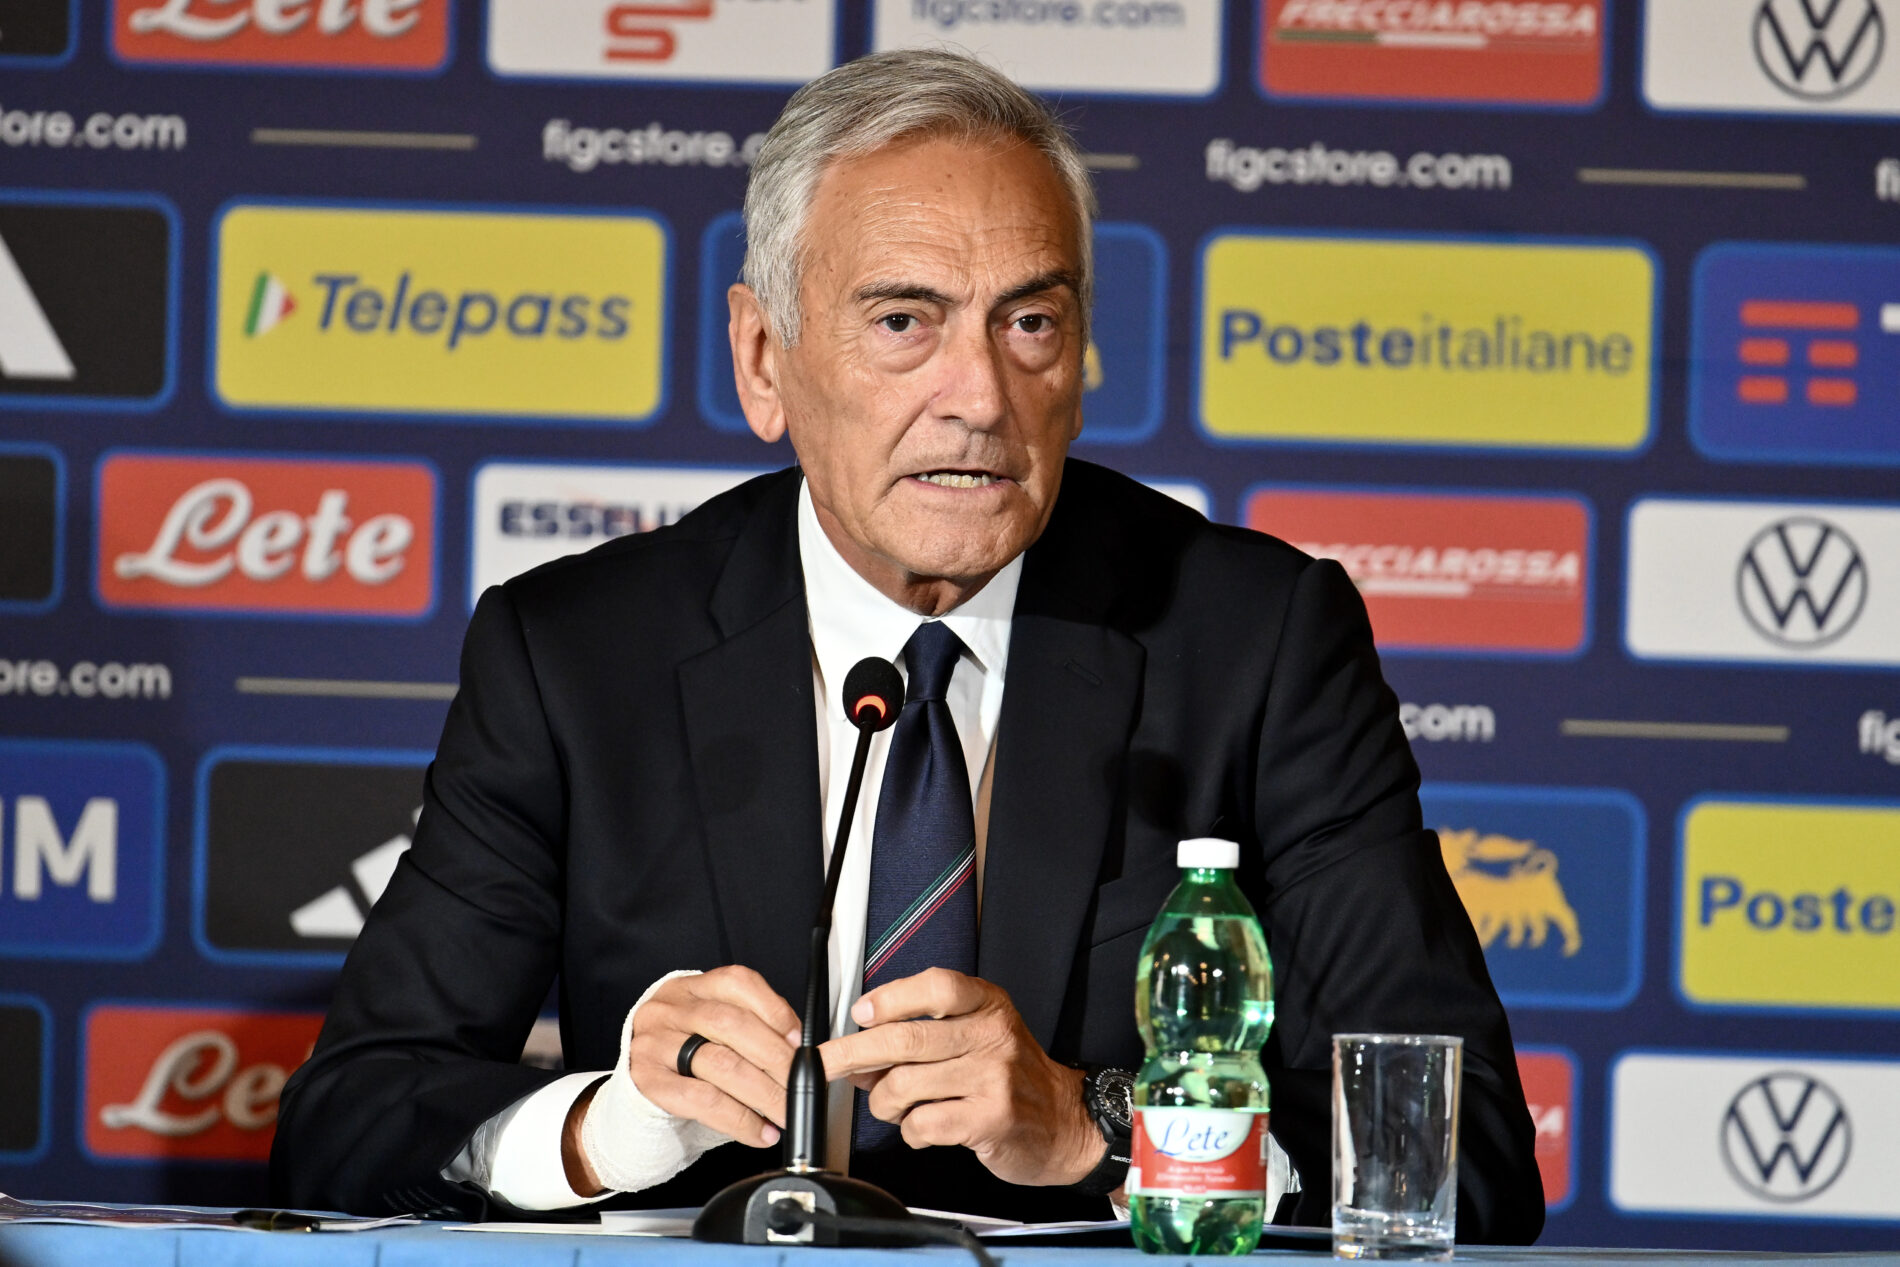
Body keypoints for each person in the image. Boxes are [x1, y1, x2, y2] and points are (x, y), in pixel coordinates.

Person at [271, 48, 1544, 1240]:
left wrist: (1099, 1126)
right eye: (902, 321)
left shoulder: (1252, 641)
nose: (979, 396)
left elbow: (1463, 1151)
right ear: (764, 361)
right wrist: (610, 1125)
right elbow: (347, 1127)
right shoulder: (577, 658)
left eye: (1029, 323)